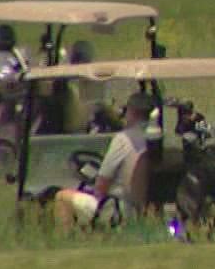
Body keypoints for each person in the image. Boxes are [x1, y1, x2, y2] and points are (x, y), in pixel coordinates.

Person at [54, 90, 154, 227]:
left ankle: (67, 242)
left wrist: (93, 190)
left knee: (62, 197)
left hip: (117, 208)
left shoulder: (123, 139)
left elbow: (101, 185)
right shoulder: (153, 140)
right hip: (143, 208)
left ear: (133, 112)